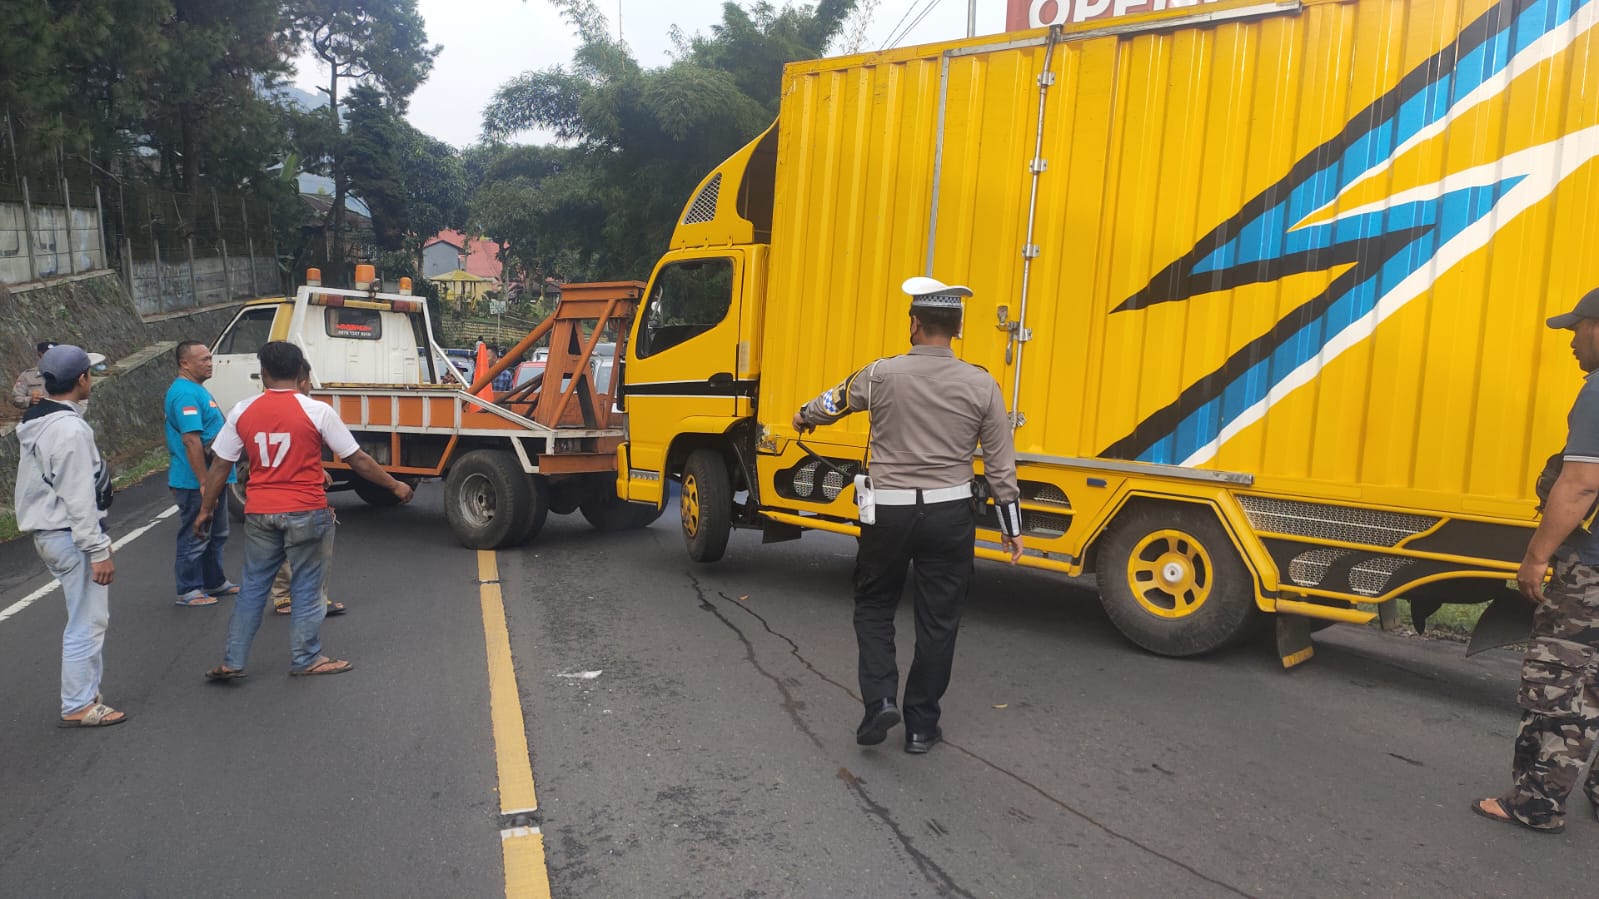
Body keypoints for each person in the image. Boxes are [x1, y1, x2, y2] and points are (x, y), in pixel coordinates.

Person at [792, 276, 1024, 755]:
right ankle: (921, 726)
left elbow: (830, 404)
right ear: (956, 328)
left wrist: (803, 417)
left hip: (888, 516)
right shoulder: (983, 384)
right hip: (950, 516)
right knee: (939, 619)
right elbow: (1001, 466)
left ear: (914, 324)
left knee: (875, 605)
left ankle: (879, 701)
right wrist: (1011, 530)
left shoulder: (878, 375)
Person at [194, 341, 413, 680]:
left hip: (260, 512)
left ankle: (232, 661)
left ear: (263, 373)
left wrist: (206, 510)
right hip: (306, 510)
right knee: (308, 588)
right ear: (300, 373)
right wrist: (395, 486)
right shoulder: (317, 411)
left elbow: (221, 465)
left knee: (253, 588)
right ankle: (307, 657)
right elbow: (357, 459)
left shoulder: (242, 410)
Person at [1474, 287, 1599, 833]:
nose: (1572, 341)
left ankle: (1537, 803)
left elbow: (1581, 485)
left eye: (1578, 328)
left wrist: (1536, 556)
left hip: (1590, 572)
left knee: (1560, 681)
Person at [14, 344, 126, 727]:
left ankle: (85, 694)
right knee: (87, 620)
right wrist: (97, 548)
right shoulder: (68, 430)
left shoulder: (39, 420)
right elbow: (78, 496)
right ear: (81, 379)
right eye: (89, 373)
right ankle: (78, 703)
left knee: (85, 617)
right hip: (69, 533)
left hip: (52, 532)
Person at [165, 340, 237, 607]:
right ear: (184, 363)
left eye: (210, 358)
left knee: (217, 534)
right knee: (195, 535)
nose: (210, 363)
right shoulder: (184, 393)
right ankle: (189, 589)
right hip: (195, 481)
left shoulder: (197, 390)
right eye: (203, 359)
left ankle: (213, 581)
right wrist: (205, 483)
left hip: (213, 478)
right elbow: (191, 441)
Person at [269, 361, 345, 617]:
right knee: (312, 549)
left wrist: (318, 470)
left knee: (285, 547)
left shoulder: (260, 408)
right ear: (301, 381)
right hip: (296, 495)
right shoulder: (308, 411)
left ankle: (286, 598)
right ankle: (308, 601)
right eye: (309, 380)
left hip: (273, 496)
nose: (311, 386)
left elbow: (293, 450)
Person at [11, 339, 57, 410]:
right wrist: (30, 400)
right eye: (48, 353)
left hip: (64, 417)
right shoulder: (28, 375)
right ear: (39, 355)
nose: (52, 356)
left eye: (55, 353)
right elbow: (16, 399)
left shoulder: (68, 373)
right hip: (38, 418)